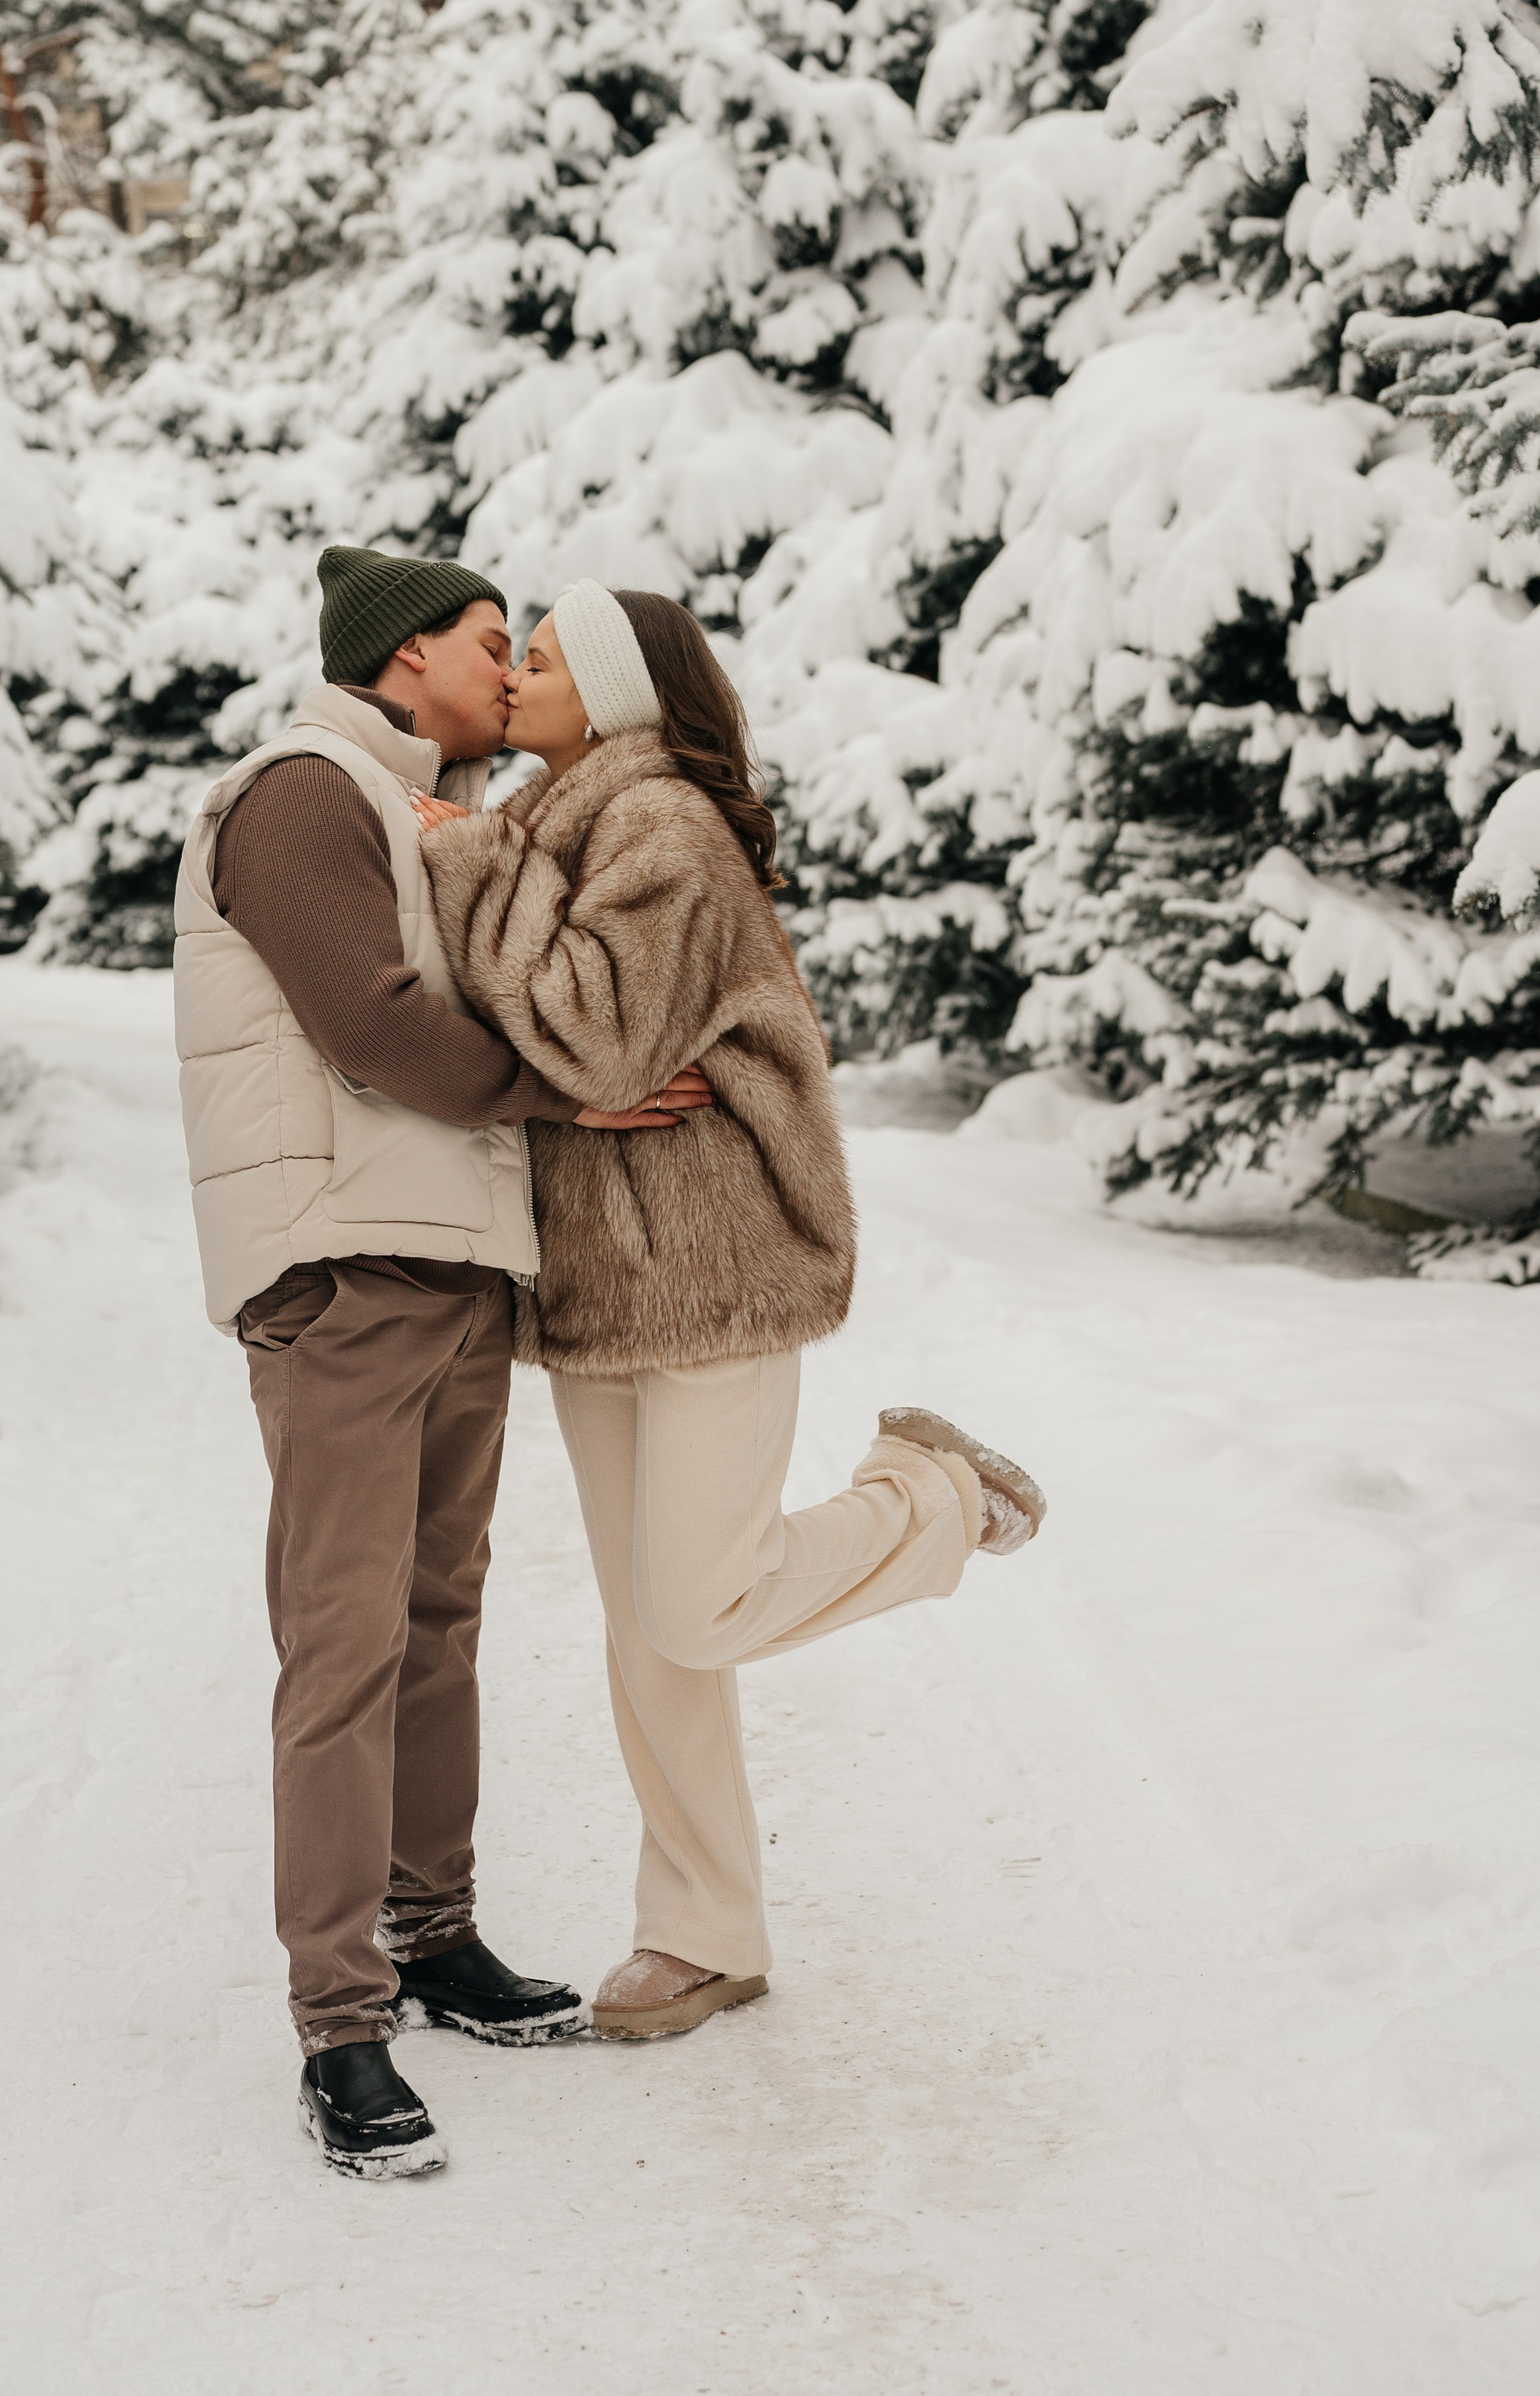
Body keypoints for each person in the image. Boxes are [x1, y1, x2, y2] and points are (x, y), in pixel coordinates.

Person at [414, 581, 1046, 2041]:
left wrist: (469, 871)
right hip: (590, 1284)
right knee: (650, 1628)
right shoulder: (540, 828)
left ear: (625, 696)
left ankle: (935, 1493)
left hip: (711, 1268)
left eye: (550, 658)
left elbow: (595, 1032)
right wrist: (477, 861)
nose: (515, 674)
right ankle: (701, 1933)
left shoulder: (663, 831)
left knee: (697, 1599)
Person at [172, 545, 710, 2178]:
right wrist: (568, 1093)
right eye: (491, 645)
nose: (508, 673)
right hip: (339, 1270)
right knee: (340, 1644)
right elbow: (373, 1022)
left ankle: (433, 1934)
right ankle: (340, 2021)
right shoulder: (295, 792)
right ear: (404, 660)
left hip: (454, 1261)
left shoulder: (417, 809)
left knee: (435, 1622)